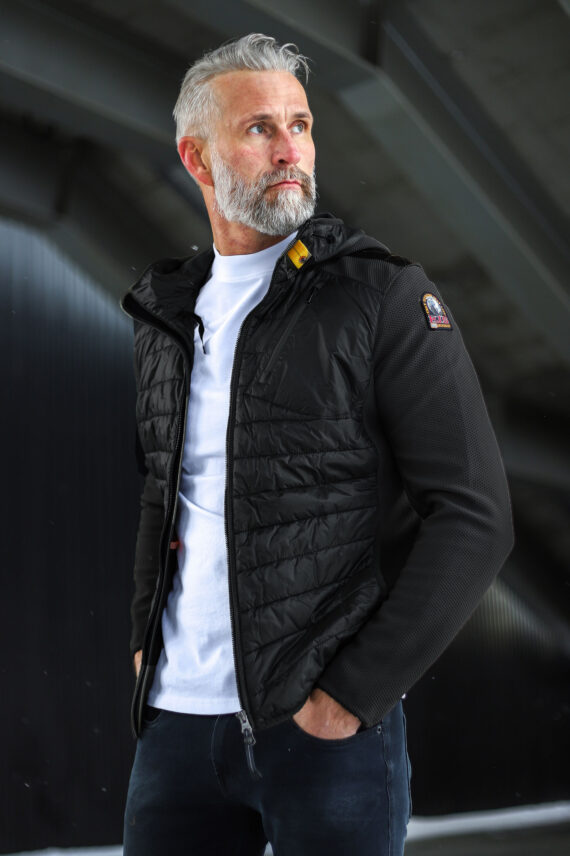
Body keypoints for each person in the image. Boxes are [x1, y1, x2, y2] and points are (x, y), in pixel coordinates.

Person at [121, 33, 513, 856]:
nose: (290, 149)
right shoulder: (166, 312)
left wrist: (351, 696)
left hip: (322, 731)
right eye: (260, 128)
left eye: (299, 125)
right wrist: (143, 643)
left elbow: (475, 516)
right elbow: (166, 486)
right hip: (177, 727)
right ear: (196, 157)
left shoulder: (380, 295)